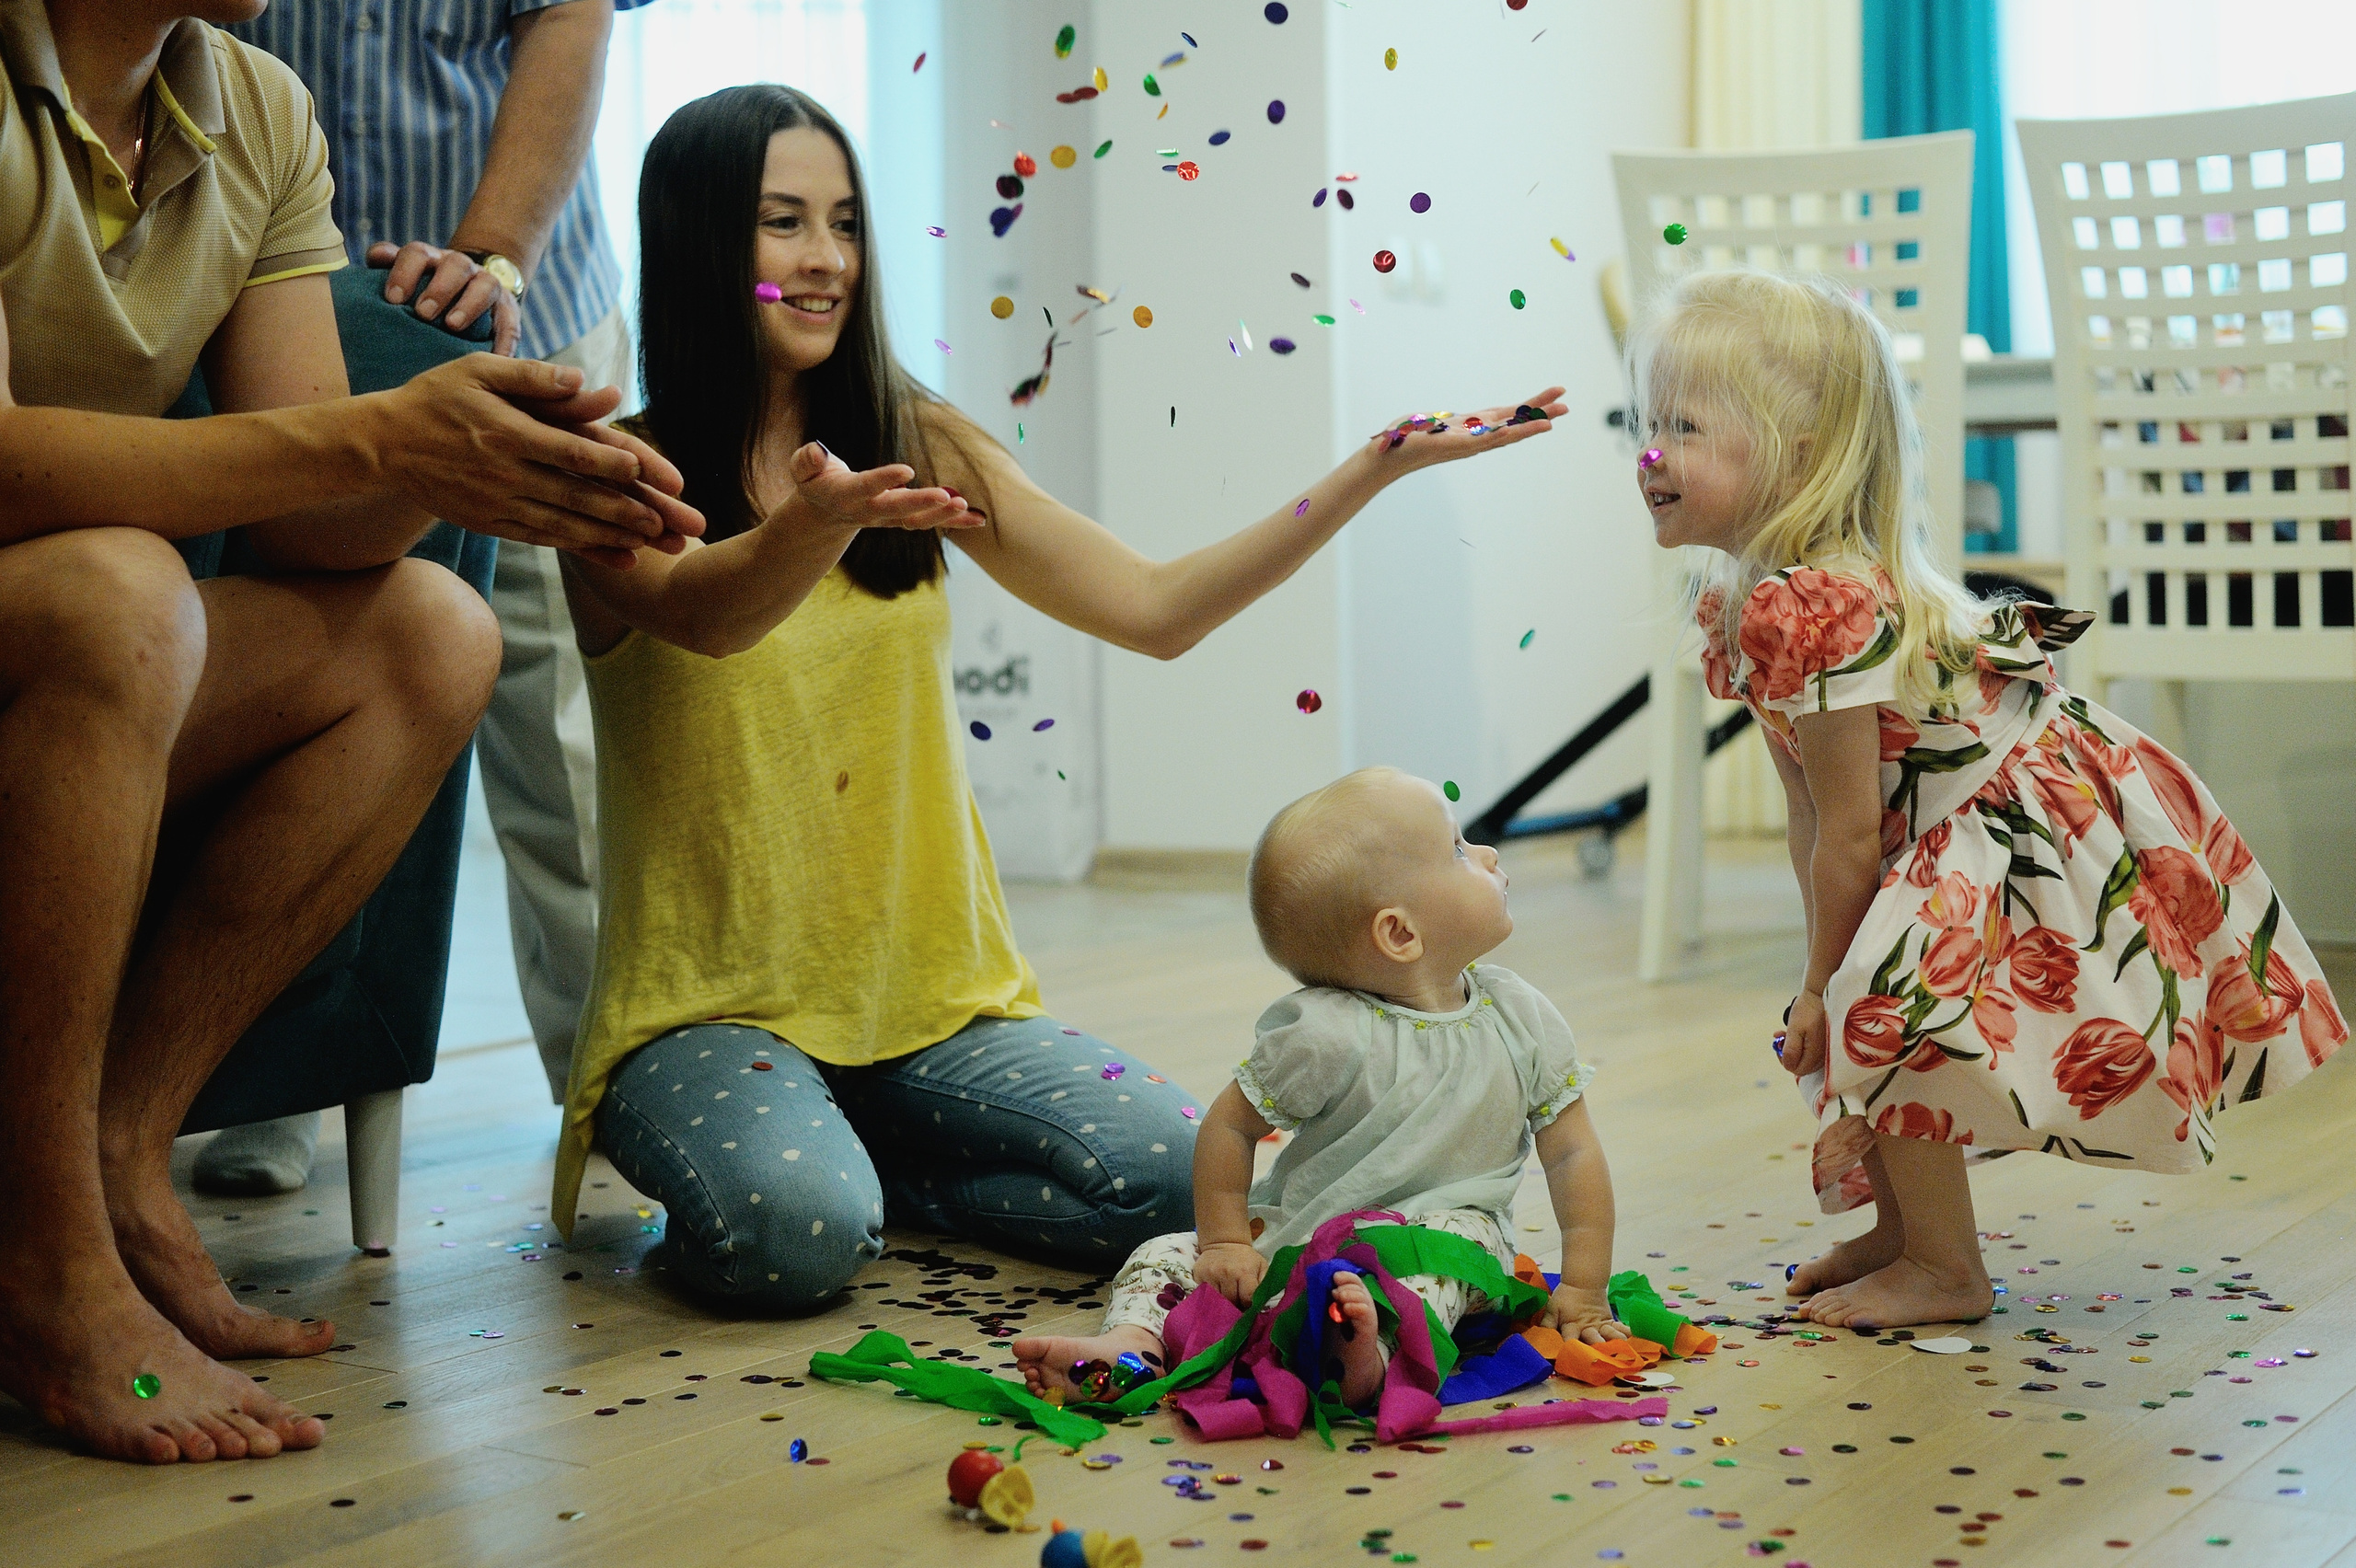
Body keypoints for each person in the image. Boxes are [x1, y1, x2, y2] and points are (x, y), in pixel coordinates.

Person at [545, 84, 1567, 1309]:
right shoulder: (615, 479)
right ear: (704, 241)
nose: (825, 261)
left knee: (1192, 1179)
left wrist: (1370, 471)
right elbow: (712, 618)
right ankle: (831, 1182)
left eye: (847, 224)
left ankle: (885, 1174)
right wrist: (814, 526)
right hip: (703, 1018)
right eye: (782, 224)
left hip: (931, 1006)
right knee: (791, 1236)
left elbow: (1155, 609)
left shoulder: (916, 441)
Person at [0, 0, 698, 1463]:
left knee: (431, 631)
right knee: (126, 592)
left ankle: (130, 1156)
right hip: (66, 612)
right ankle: (40, 1251)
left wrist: (469, 462)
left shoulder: (257, 106)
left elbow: (316, 521)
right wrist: (381, 439)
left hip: (76, 655)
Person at [1634, 269, 2349, 1331]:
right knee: (1870, 996)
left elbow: (1843, 838)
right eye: (1642, 423)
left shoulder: (1825, 601)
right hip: (1939, 829)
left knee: (1887, 1008)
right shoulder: (1746, 606)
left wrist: (1824, 985)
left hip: (2024, 821)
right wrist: (1817, 972)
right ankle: (1901, 1236)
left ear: (1790, 451)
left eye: (1679, 426)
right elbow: (1813, 823)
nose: (1645, 454)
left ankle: (1947, 1271)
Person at [200, 0, 645, 1194]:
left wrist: (494, 252)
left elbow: (569, 14)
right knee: (293, 681)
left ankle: (616, 1079)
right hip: (248, 315)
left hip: (520, 305)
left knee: (561, 732)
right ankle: (271, 1073)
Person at [1011, 767, 1627, 1410]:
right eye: (1457, 850)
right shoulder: (1325, 1034)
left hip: (1448, 1234)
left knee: (1447, 1249)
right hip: (1303, 1241)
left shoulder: (1519, 1017)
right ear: (1400, 933)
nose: (1487, 854)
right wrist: (1224, 1242)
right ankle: (1132, 1346)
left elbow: (1572, 1153)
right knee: (1165, 1251)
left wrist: (1583, 1290)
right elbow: (1231, 1124)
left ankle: (1369, 1353)